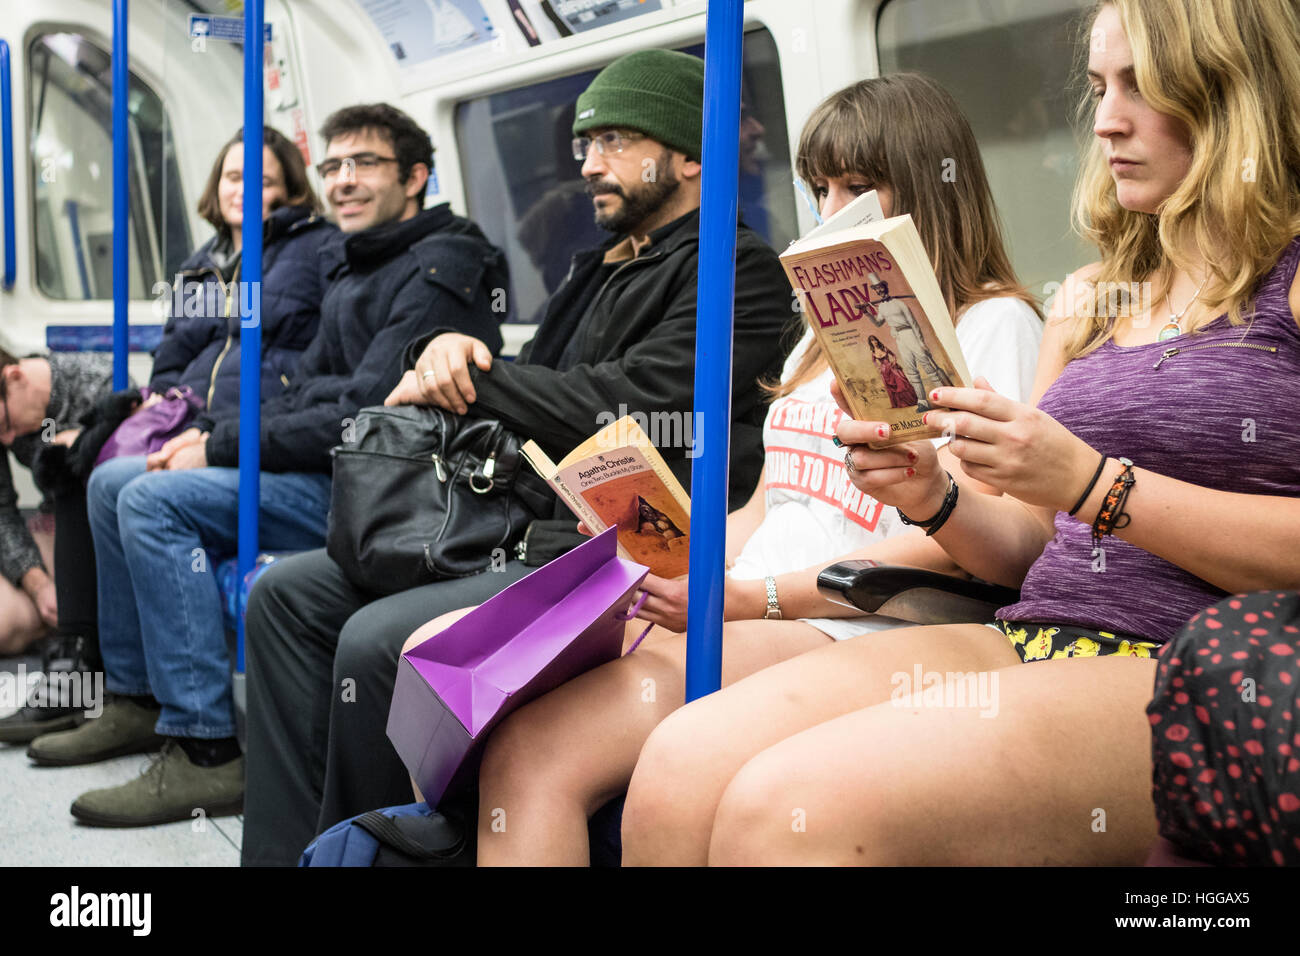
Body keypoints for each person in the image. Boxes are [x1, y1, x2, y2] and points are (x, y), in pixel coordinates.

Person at [619, 0, 1300, 866]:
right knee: (681, 763)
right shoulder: (1091, 297)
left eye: (1145, 87)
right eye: (1098, 88)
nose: (1108, 122)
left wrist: (1094, 487)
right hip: (1026, 626)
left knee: (786, 810)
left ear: (1235, 97)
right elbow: (1023, 549)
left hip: (1185, 665)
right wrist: (936, 494)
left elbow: (1087, 492)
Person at [459, 71, 1043, 865]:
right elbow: (771, 508)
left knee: (539, 751)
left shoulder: (994, 323)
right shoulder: (821, 329)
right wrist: (664, 543)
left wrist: (745, 598)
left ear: (929, 192)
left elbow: (965, 542)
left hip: (852, 618)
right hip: (751, 599)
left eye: (860, 188)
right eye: (821, 189)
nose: (834, 213)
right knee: (486, 689)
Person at [239, 49, 796, 865]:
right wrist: (451, 356)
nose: (589, 166)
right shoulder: (597, 269)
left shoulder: (736, 269)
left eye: (612, 142)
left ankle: (380, 853)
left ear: (685, 156)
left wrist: (481, 375)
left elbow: (636, 403)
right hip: (531, 518)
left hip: (627, 546)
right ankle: (289, 855)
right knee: (285, 594)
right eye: (584, 146)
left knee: (377, 639)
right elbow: (540, 384)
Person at [27, 103, 509, 831]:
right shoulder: (355, 264)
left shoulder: (436, 266)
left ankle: (209, 748)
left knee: (151, 503)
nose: (344, 182)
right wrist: (209, 431)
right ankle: (134, 697)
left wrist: (218, 445)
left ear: (416, 177)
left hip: (386, 493)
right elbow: (301, 386)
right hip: (333, 467)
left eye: (364, 165)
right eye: (335, 166)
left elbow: (360, 410)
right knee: (108, 481)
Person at [0, 125, 335, 744]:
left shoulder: (312, 255)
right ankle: (129, 693)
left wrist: (214, 430)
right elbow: (173, 364)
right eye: (234, 177)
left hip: (257, 440)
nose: (243, 190)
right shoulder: (202, 268)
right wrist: (174, 413)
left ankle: (198, 731)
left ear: (289, 189)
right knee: (100, 477)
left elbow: (294, 368)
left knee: (138, 494)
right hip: (192, 423)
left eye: (261, 180)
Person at [0, 348, 114, 655]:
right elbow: (2, 510)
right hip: (52, 529)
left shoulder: (101, 382)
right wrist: (37, 585)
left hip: (104, 529)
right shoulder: (6, 418)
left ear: (14, 377)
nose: (8, 441)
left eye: (6, 426)